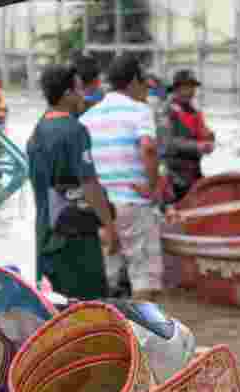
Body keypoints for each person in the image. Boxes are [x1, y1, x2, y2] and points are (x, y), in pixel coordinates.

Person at [27, 64, 117, 300]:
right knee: (90, 308)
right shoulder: (74, 131)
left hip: (45, 234)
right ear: (67, 94)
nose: (83, 96)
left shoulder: (37, 130)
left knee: (54, 307)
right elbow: (89, 185)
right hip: (75, 239)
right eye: (78, 90)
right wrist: (109, 225)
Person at [80, 54, 164, 300]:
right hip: (134, 203)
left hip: (102, 207)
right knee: (143, 275)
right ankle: (144, 336)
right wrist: (152, 186)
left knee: (108, 276)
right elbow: (148, 147)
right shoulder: (140, 111)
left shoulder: (88, 117)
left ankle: (109, 334)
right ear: (134, 81)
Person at [158, 69, 216, 203]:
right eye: (186, 87)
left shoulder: (194, 111)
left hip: (194, 174)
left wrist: (210, 138)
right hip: (174, 177)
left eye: (192, 87)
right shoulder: (167, 111)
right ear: (176, 89)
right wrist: (197, 146)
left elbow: (203, 134)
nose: (190, 92)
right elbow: (168, 143)